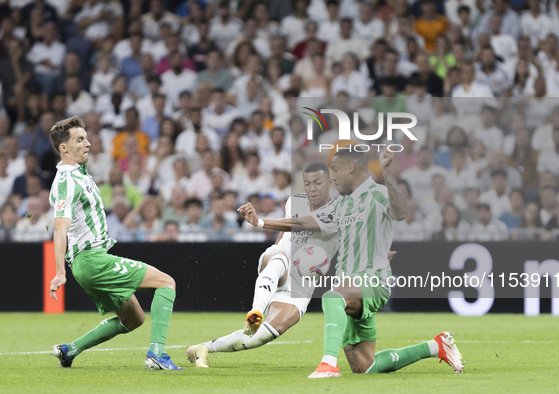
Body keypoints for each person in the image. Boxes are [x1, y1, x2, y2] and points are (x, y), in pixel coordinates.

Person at [240, 149, 464, 377]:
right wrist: (260, 222)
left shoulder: (378, 194)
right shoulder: (339, 206)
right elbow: (301, 223)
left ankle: (328, 364)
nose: (332, 177)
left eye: (335, 170)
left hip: (373, 281)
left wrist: (386, 172)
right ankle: (436, 346)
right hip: (350, 288)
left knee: (331, 296)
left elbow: (400, 212)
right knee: (366, 367)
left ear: (350, 168)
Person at [47, 116, 182, 370]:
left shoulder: (79, 174)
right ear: (64, 148)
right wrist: (59, 272)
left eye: (86, 137)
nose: (88, 143)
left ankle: (69, 351)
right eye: (80, 139)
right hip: (91, 260)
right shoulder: (67, 180)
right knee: (166, 282)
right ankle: (157, 354)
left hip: (90, 263)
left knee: (134, 319)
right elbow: (59, 227)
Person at [186, 162, 339, 366]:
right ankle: (256, 311)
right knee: (279, 258)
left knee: (263, 335)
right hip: (279, 261)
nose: (312, 187)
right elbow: (286, 231)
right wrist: (275, 248)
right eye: (307, 183)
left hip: (301, 286)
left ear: (330, 183)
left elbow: (301, 224)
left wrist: (260, 222)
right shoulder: (294, 202)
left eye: (318, 182)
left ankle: (202, 348)